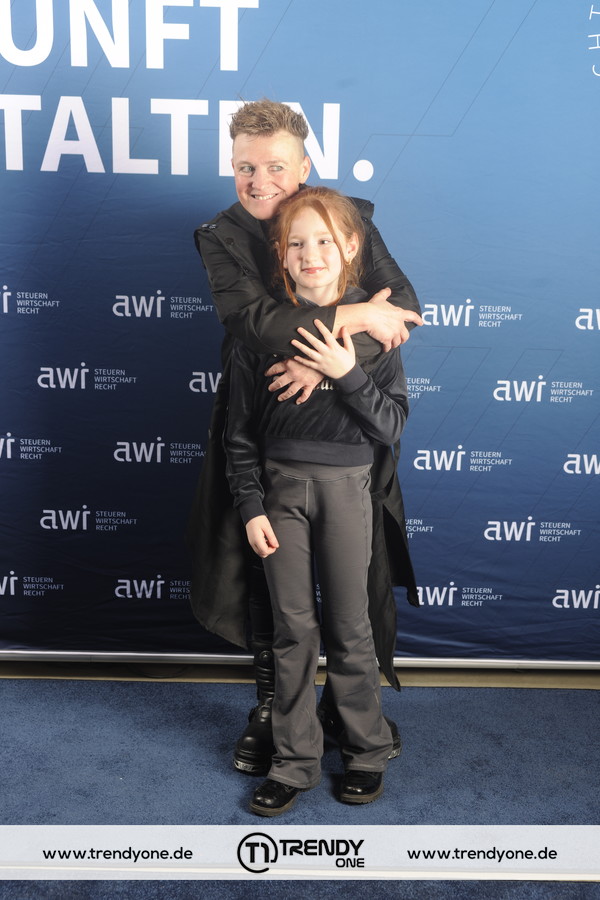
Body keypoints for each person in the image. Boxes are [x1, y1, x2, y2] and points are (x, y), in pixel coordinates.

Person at [187, 99, 422, 776]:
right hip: (263, 414)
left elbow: (402, 310)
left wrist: (326, 362)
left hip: (344, 427)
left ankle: (352, 713)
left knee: (352, 597)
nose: (259, 180)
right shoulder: (220, 235)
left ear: (305, 166)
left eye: (276, 167)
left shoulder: (347, 218)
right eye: (245, 167)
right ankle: (275, 709)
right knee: (266, 577)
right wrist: (347, 323)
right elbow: (255, 325)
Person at [224, 187, 409, 815]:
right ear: (281, 254)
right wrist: (251, 506)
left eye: (325, 240)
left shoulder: (377, 326)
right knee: (292, 631)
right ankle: (294, 762)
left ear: (351, 247)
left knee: (351, 628)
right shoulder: (262, 331)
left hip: (347, 493)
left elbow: (391, 425)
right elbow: (239, 433)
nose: (312, 254)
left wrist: (345, 372)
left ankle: (365, 751)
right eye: (297, 243)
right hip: (279, 499)